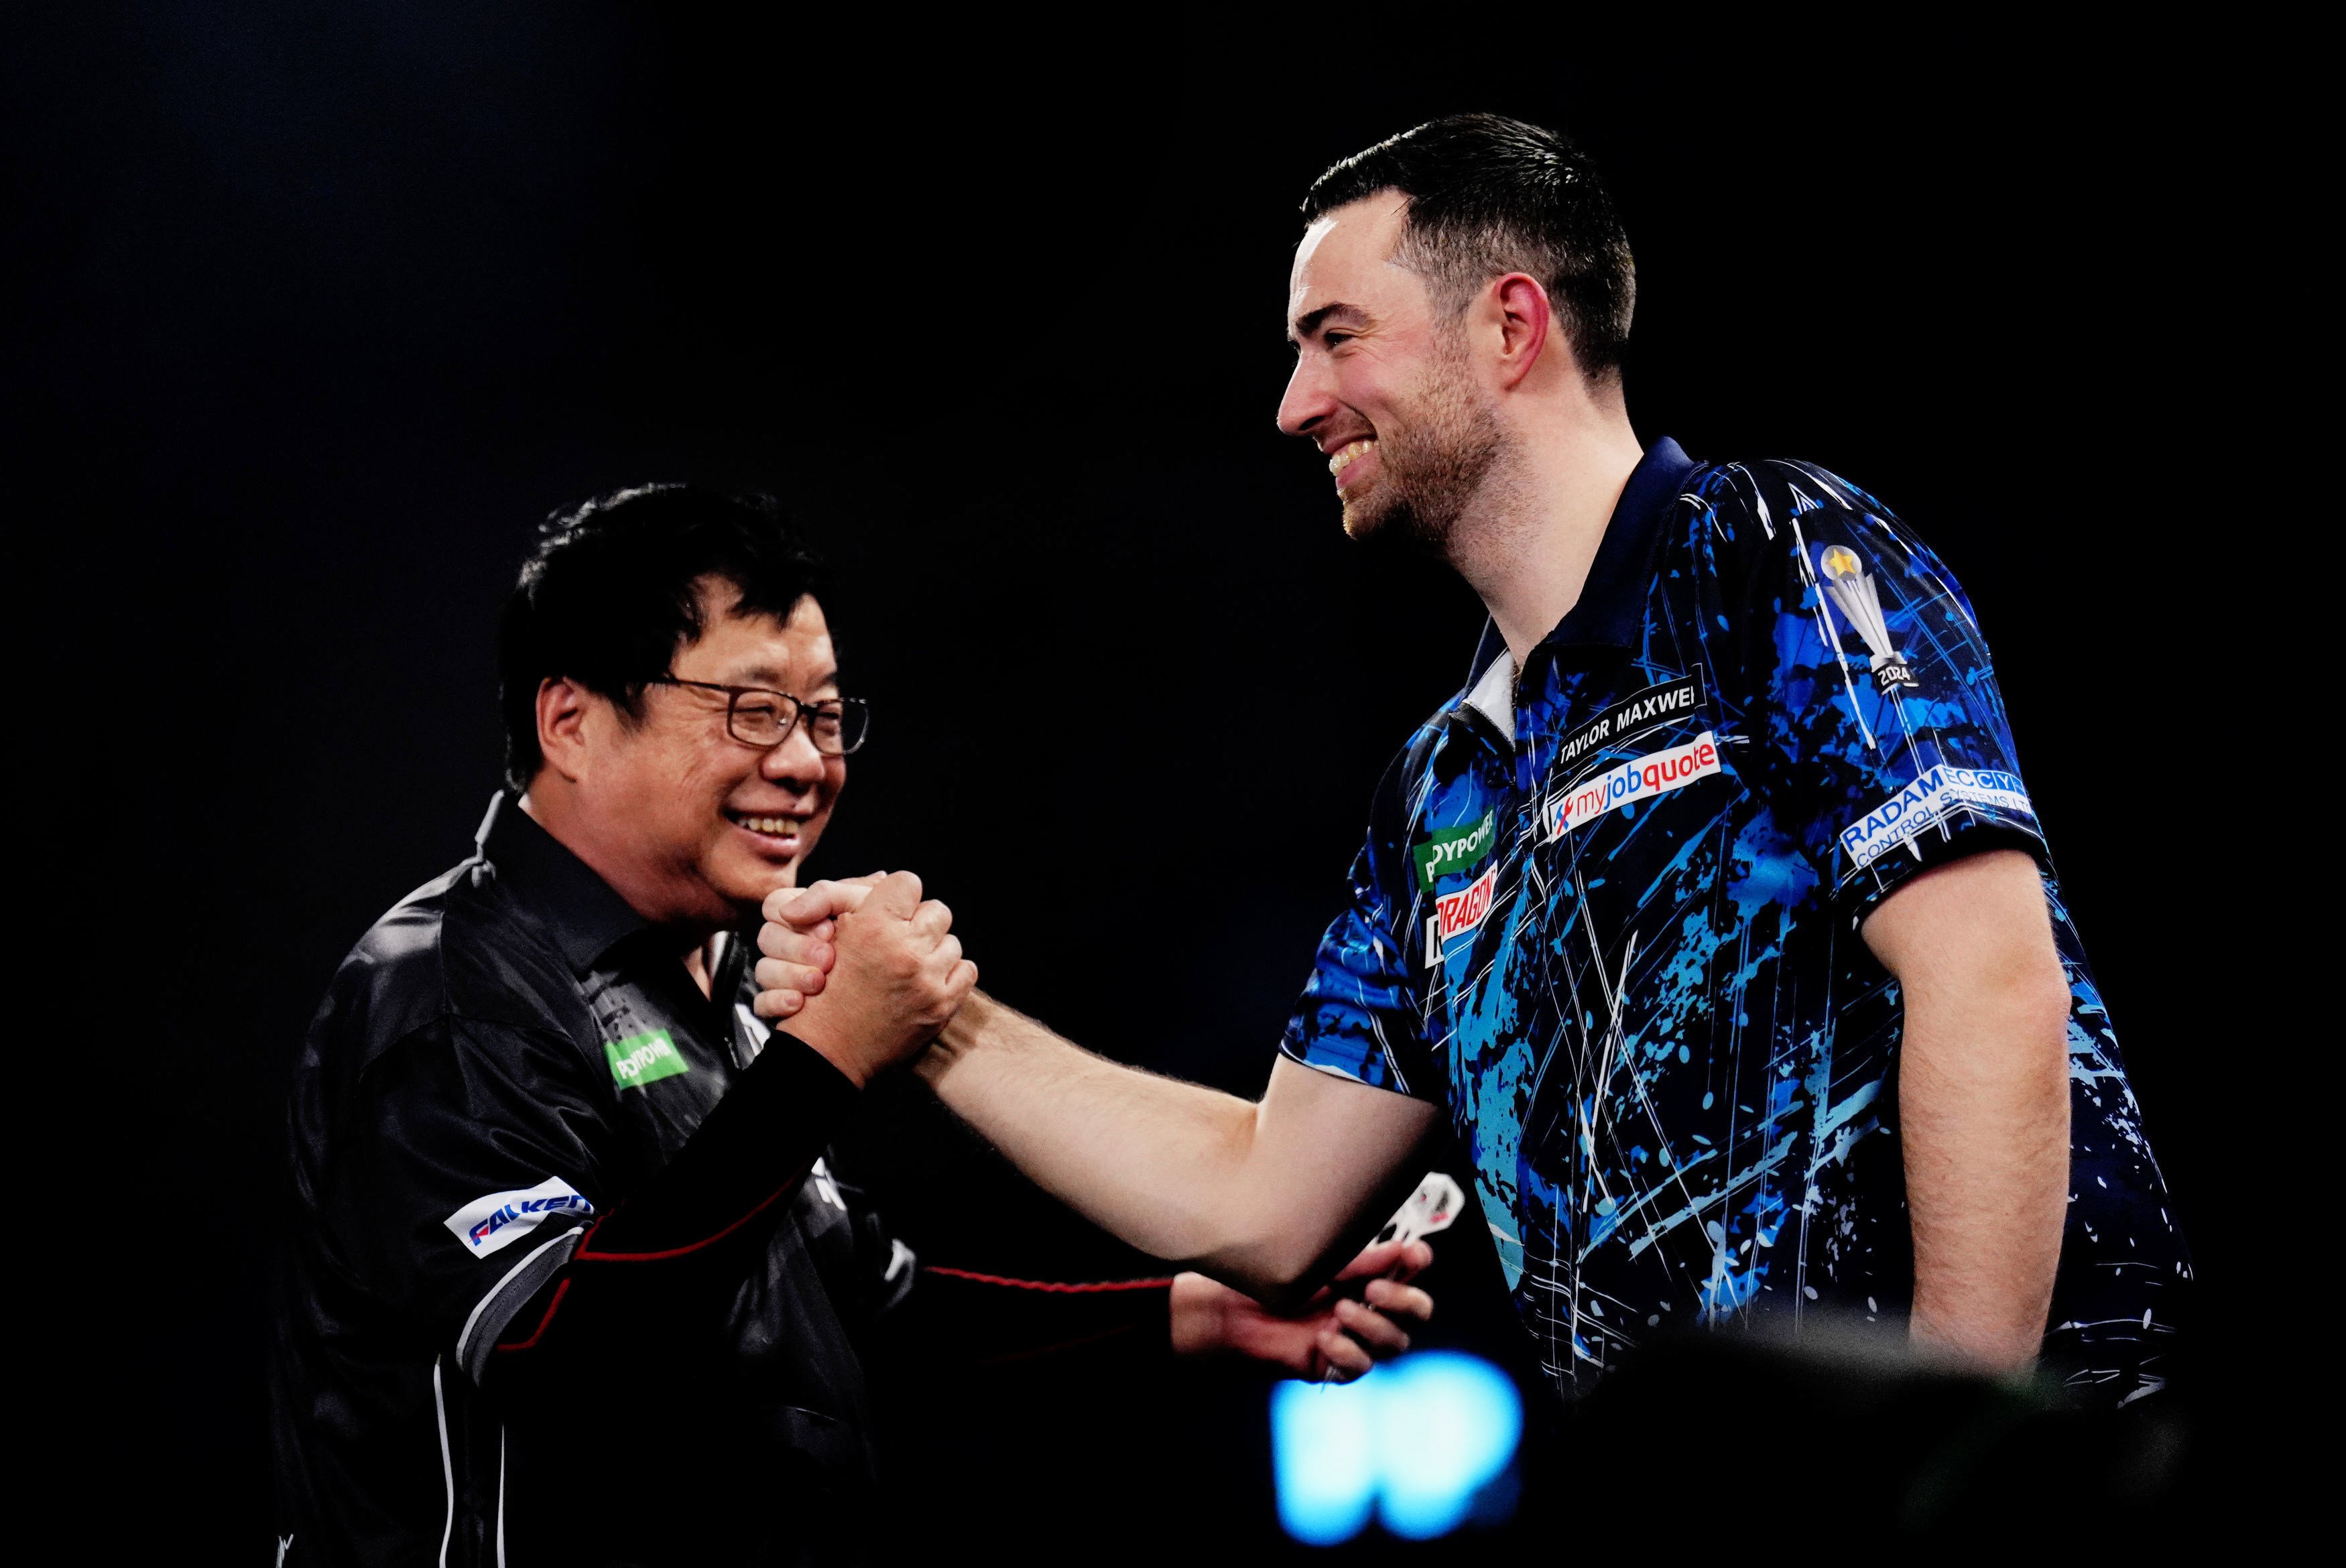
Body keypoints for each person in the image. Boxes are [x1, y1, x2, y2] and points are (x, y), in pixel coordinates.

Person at [759, 115, 2187, 1407]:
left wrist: (1943, 1472)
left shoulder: (1764, 553)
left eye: (1336, 336)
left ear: (1510, 325)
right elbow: (1264, 1198)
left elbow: (1988, 984)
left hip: (1995, 1494)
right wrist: (929, 1018)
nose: (1294, 403)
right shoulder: (1442, 785)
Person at [267, 485, 1434, 1567]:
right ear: (571, 722)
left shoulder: (717, 980)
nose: (803, 764)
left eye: (824, 716)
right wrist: (828, 1056)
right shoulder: (445, 993)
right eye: (752, 711)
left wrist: (1198, 1315)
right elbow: (560, 1352)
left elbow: (874, 1315)